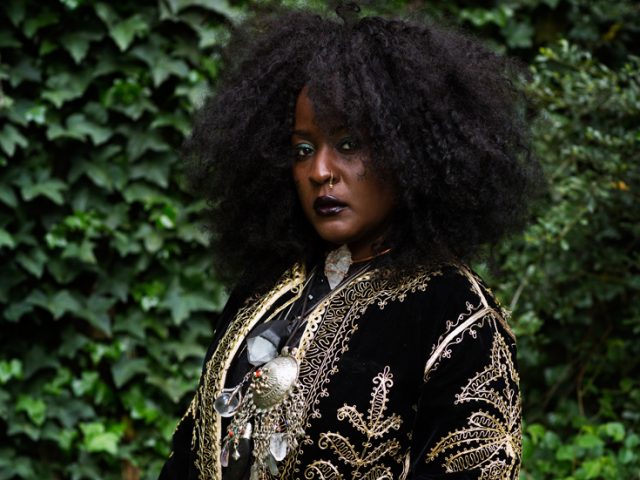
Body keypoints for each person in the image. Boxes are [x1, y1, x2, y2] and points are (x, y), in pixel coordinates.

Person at [160, 3, 541, 479]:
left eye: (348, 144)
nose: (320, 172)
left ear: (409, 151)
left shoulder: (456, 313)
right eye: (303, 150)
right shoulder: (264, 289)